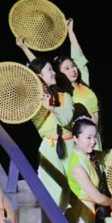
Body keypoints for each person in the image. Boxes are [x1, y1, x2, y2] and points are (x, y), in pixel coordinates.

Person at [17, 19, 102, 149]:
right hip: (81, 140)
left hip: (95, 136)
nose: (73, 70)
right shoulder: (63, 91)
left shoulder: (84, 83)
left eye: (73, 66)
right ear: (59, 73)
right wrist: (24, 48)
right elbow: (40, 69)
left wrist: (70, 32)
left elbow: (79, 58)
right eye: (67, 68)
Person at [22, 55, 75, 210]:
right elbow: (12, 110)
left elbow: (66, 119)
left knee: (75, 193)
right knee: (53, 193)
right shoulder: (32, 103)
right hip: (50, 148)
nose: (54, 73)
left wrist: (51, 108)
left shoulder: (64, 97)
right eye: (50, 70)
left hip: (70, 147)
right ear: (39, 76)